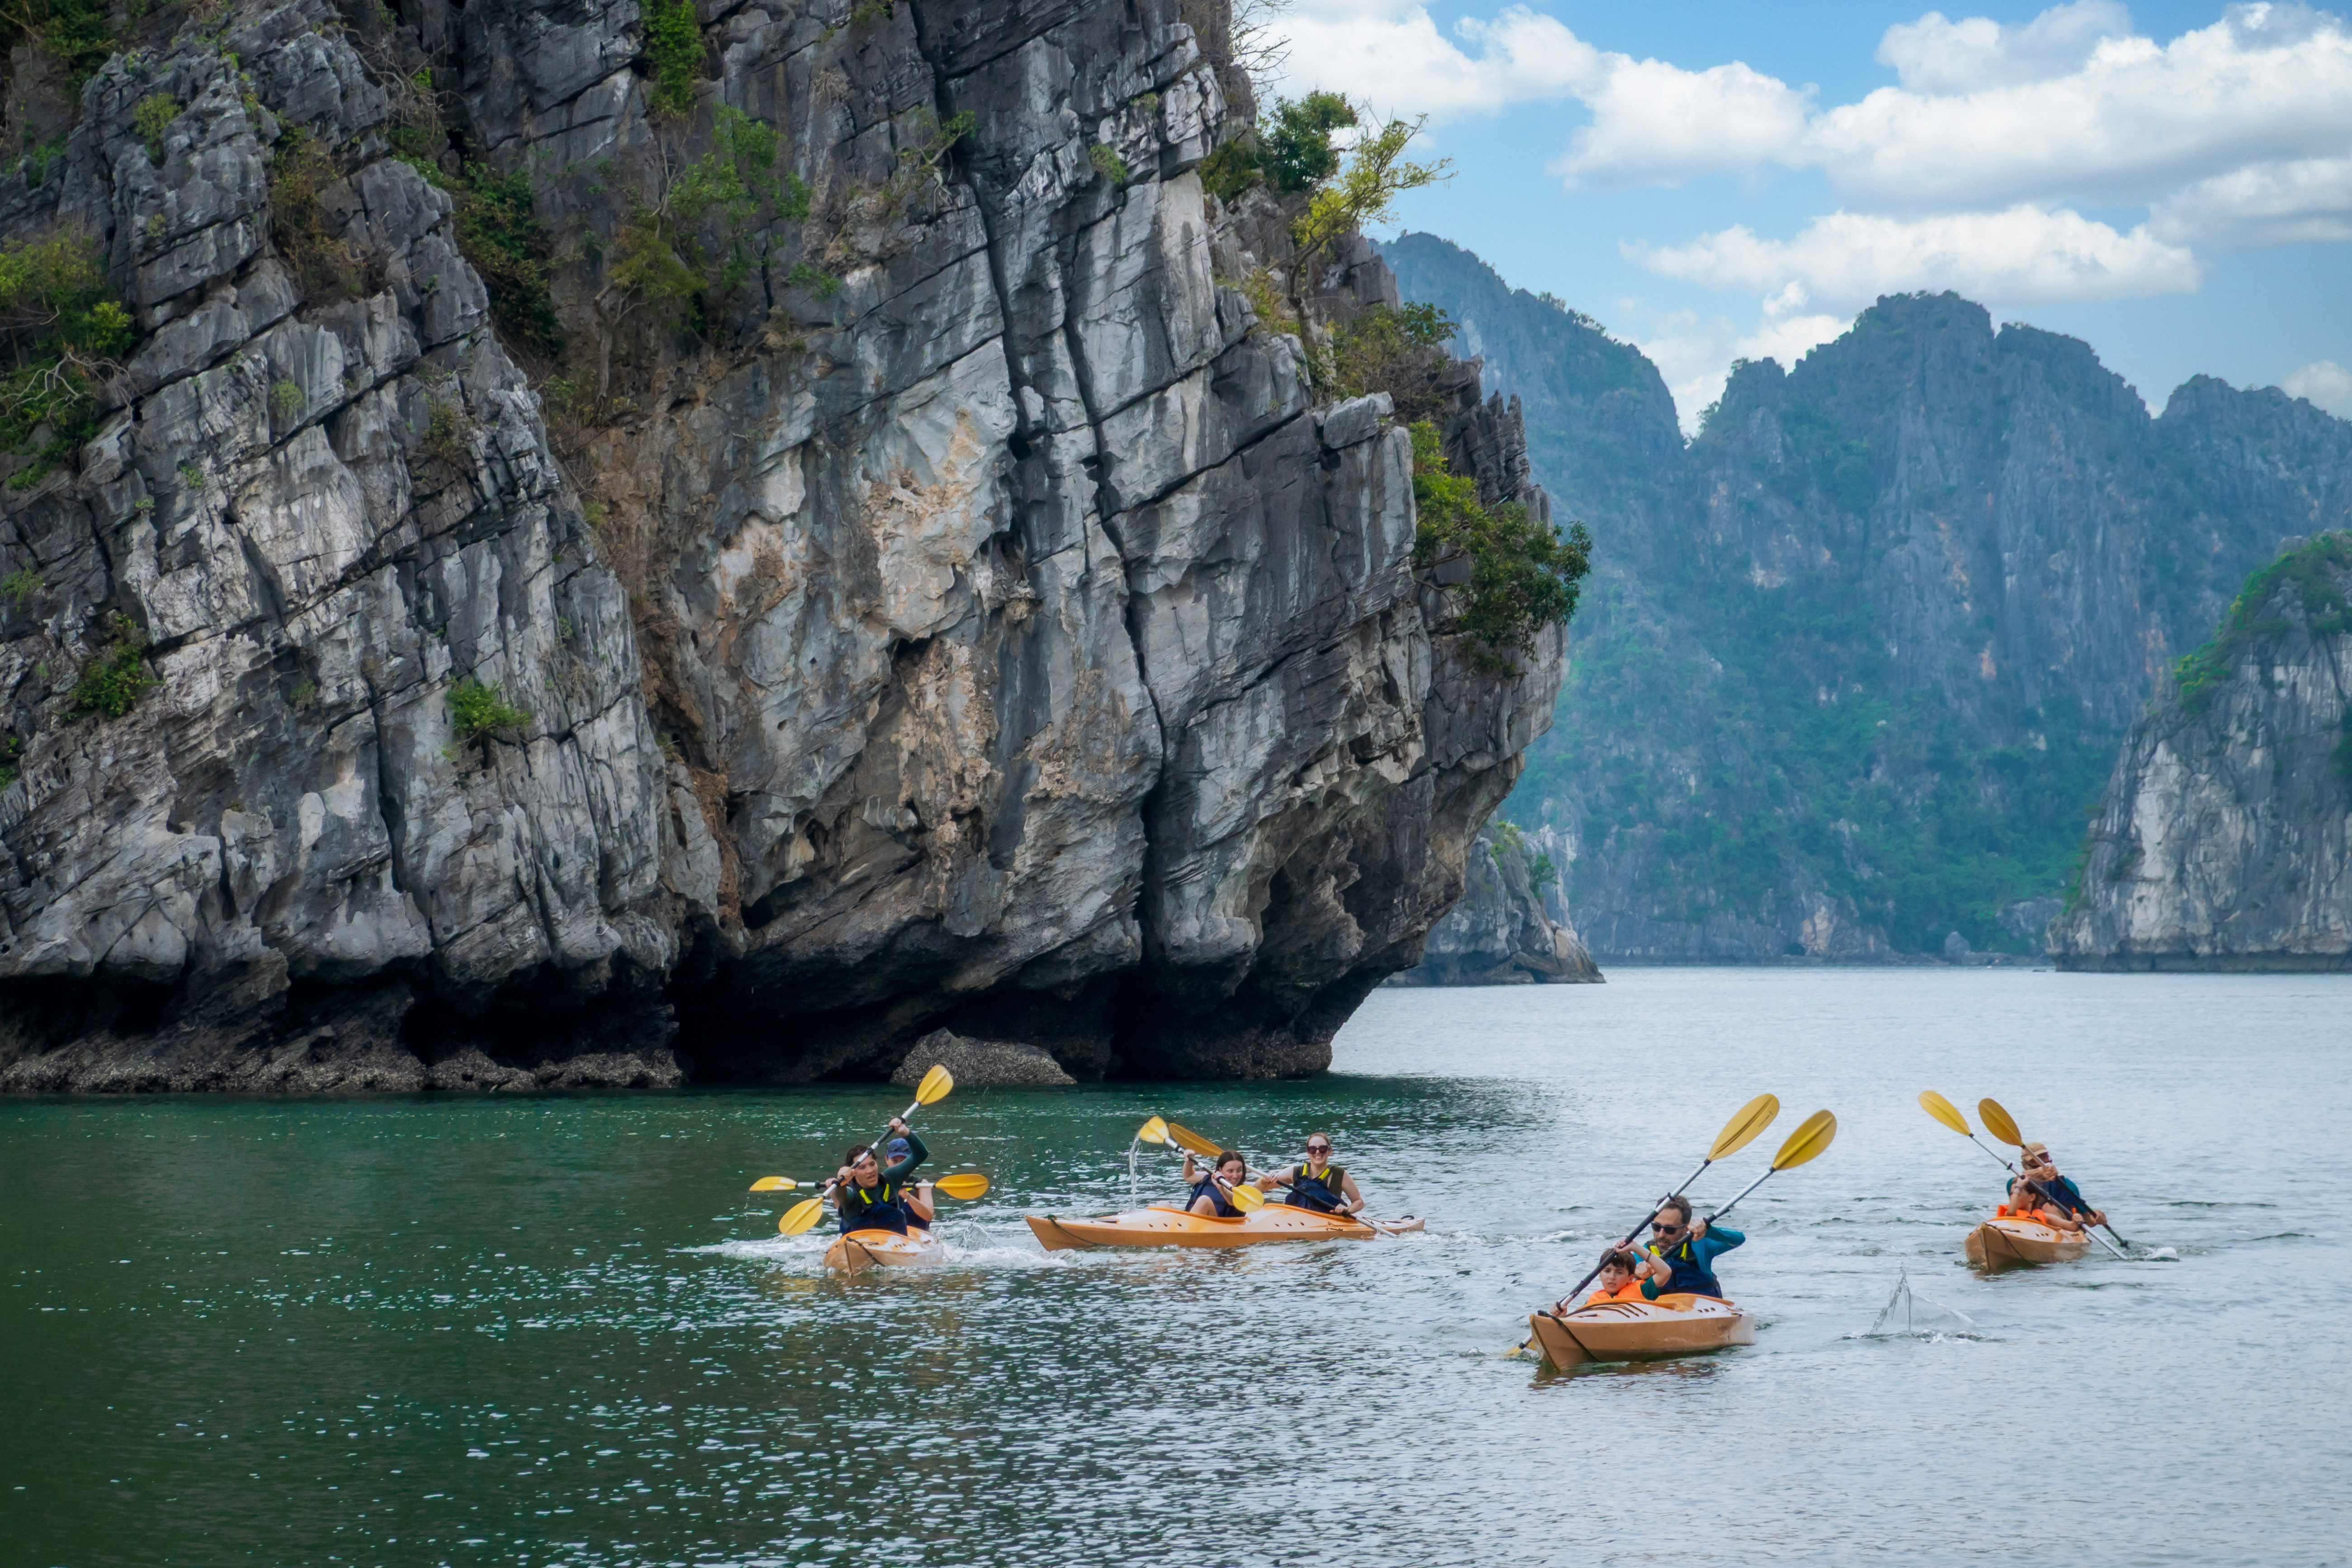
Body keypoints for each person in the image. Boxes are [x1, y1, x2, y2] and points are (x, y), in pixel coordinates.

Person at [831, 1118, 927, 1234]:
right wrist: (841, 1184)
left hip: (896, 1243)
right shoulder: (852, 1193)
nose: (870, 1171)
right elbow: (842, 1196)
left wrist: (905, 1132)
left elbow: (921, 1155)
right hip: (859, 1244)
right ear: (852, 1173)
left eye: (872, 1164)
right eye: (862, 1167)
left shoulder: (891, 1178)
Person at [1640, 1195, 1743, 1300]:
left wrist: (1709, 1231)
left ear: (1686, 1229)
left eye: (1670, 1229)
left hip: (1702, 1310)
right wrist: (1636, 1274)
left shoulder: (1701, 1245)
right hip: (1659, 1313)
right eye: (1656, 1227)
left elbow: (1739, 1239)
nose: (1661, 1235)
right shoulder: (1642, 1254)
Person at [1261, 1134, 1363, 1215]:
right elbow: (1261, 1187)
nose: (1317, 1153)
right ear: (1308, 1152)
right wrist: (1265, 1180)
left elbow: (1359, 1202)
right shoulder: (1295, 1172)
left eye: (1322, 1149)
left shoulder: (1340, 1174)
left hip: (1328, 1220)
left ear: (1330, 1151)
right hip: (1297, 1218)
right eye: (1313, 1149)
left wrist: (1347, 1210)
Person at [2019, 1142, 2106, 1229]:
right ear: (2024, 1165)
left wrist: (2097, 1215)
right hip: (2030, 1226)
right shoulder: (2018, 1183)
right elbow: (2021, 1178)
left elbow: (2088, 1219)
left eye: (2046, 1163)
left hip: (2062, 1228)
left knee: (2050, 1208)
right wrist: (2039, 1171)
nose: (2044, 1168)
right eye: (2037, 1164)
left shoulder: (2067, 1184)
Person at [1560, 1248, 1659, 1313]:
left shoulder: (1643, 1290)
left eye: (1619, 1272)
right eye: (1607, 1271)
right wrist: (1562, 1317)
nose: (1612, 1277)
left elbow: (1665, 1272)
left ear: (1630, 1278)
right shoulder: (1593, 1300)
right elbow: (1575, 1324)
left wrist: (1635, 1247)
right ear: (1600, 1275)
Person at [883, 1136, 935, 1231]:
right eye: (895, 1161)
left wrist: (906, 1195)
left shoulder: (922, 1184)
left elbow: (929, 1216)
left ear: (911, 1162)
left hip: (917, 1236)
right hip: (888, 1236)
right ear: (887, 1159)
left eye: (904, 1162)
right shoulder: (879, 1182)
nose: (899, 1165)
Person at [1181, 1149, 1249, 1217]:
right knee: (1169, 1206)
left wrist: (1221, 1188)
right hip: (1193, 1222)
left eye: (1239, 1171)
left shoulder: (1244, 1192)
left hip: (1221, 1225)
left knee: (1204, 1201)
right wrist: (1189, 1162)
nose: (1235, 1176)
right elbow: (1189, 1176)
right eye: (1230, 1171)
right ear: (1221, 1170)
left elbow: (1236, 1201)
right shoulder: (1212, 1176)